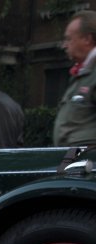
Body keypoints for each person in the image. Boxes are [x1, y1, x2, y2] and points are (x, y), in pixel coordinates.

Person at [54, 10, 96, 146]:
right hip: (75, 161)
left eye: (69, 39)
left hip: (88, 163)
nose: (64, 45)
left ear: (87, 39)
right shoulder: (83, 73)